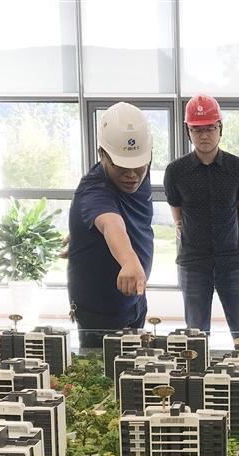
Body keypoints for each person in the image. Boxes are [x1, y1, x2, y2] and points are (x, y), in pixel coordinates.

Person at [163, 95, 239, 341]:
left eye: (210, 128)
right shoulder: (175, 171)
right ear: (188, 131)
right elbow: (178, 214)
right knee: (195, 337)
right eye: (197, 129)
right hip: (193, 263)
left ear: (220, 128)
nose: (204, 135)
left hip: (231, 261)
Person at [67, 102, 154, 347]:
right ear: (102, 154)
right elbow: (110, 224)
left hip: (136, 301)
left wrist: (80, 234)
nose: (132, 174)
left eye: (138, 164)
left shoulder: (139, 168)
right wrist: (130, 261)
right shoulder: (93, 190)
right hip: (100, 313)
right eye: (121, 165)